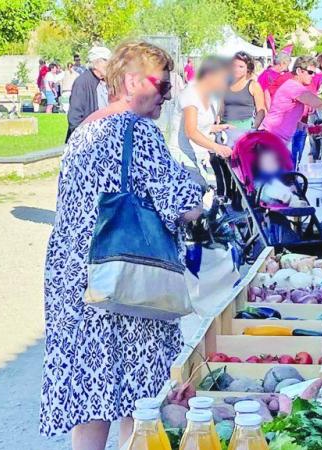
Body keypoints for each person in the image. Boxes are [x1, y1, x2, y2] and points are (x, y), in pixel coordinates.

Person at [40, 40, 202, 450]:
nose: (167, 97)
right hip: (129, 278)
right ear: (132, 81)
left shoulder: (83, 132)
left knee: (91, 395)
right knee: (139, 398)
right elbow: (181, 207)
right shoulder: (139, 131)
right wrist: (197, 194)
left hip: (77, 281)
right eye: (163, 86)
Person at [260, 56, 322, 163]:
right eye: (310, 72)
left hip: (276, 140)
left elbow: (287, 113)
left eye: (314, 72)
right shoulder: (293, 87)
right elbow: (321, 104)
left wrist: (304, 126)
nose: (313, 76)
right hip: (271, 140)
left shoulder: (294, 86)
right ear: (299, 71)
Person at [169, 55, 233, 191]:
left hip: (198, 153)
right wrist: (217, 147)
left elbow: (201, 125)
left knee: (201, 190)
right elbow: (190, 131)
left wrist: (218, 127)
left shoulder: (211, 96)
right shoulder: (191, 93)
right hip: (182, 154)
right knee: (197, 189)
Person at [65, 46, 112, 141]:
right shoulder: (82, 82)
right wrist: (81, 140)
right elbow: (74, 117)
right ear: (96, 63)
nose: (110, 65)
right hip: (87, 141)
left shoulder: (107, 81)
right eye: (107, 61)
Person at [221, 51, 266, 130]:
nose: (236, 69)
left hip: (244, 129)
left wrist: (253, 128)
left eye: (241, 67)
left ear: (248, 69)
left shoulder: (253, 85)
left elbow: (261, 111)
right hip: (224, 128)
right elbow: (221, 108)